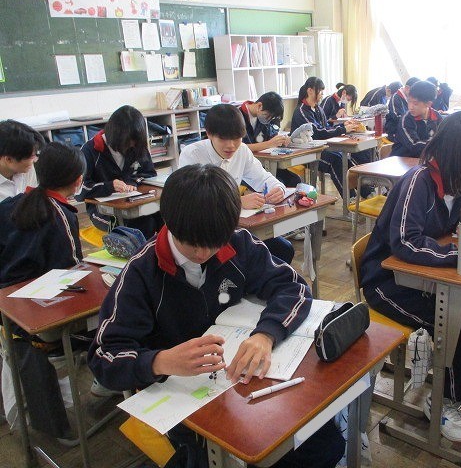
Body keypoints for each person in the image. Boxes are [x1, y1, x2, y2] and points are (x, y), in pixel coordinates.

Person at [88, 164, 345, 468]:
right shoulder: (141, 274)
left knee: (323, 441)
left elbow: (293, 287)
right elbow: (103, 356)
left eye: (213, 243)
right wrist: (161, 361)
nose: (202, 254)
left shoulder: (237, 243)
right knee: (228, 453)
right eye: (192, 244)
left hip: (240, 382)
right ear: (168, 222)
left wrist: (266, 335)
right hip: (182, 397)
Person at [360, 111, 461, 444]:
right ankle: (444, 401)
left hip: (425, 275)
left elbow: (450, 228)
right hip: (387, 282)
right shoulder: (419, 181)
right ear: (455, 149)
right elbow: (405, 242)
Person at [0, 142, 85, 439]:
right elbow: (73, 272)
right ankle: (112, 387)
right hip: (41, 321)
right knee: (108, 320)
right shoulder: (62, 214)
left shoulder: (12, 204)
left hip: (9, 311)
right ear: (78, 180)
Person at [179, 103, 294, 264]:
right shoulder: (192, 155)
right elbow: (195, 202)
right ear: (209, 134)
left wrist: (278, 188)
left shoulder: (242, 151)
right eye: (223, 138)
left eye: (236, 138)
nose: (231, 145)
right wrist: (237, 202)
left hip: (237, 226)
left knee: (284, 249)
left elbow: (263, 177)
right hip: (205, 233)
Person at [76, 105, 161, 239]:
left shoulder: (137, 145)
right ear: (116, 134)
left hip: (135, 203)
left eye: (135, 141)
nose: (132, 145)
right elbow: (79, 191)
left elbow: (149, 173)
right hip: (103, 212)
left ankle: (163, 251)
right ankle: (141, 252)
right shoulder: (90, 150)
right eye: (129, 141)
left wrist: (132, 182)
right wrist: (109, 186)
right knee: (144, 225)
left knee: (164, 216)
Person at [290, 77, 372, 199]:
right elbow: (317, 132)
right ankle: (351, 199)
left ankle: (367, 193)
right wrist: (343, 129)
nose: (322, 94)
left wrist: (343, 125)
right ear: (310, 91)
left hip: (320, 148)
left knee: (345, 159)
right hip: (306, 153)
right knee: (336, 160)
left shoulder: (318, 109)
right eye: (320, 91)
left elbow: (326, 127)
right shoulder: (301, 111)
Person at [237, 91, 301, 187]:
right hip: (245, 168)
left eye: (272, 118)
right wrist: (269, 144)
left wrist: (281, 140)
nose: (269, 120)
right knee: (278, 183)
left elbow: (272, 136)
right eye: (267, 115)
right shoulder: (237, 116)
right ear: (259, 106)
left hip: (264, 164)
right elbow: (239, 147)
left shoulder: (264, 119)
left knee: (294, 180)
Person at [390, 80, 442, 158]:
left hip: (423, 159)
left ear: (428, 104)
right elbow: (414, 146)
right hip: (402, 159)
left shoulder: (437, 117)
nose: (410, 107)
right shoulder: (406, 119)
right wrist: (437, 146)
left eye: (415, 103)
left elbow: (443, 139)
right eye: (409, 101)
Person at [0, 119, 44, 201]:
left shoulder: (27, 169)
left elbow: (33, 200)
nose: (35, 160)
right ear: (9, 159)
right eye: (31, 157)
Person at [385, 76, 420, 142]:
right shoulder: (396, 97)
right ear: (407, 88)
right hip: (395, 133)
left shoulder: (410, 99)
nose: (416, 96)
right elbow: (397, 117)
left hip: (407, 131)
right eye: (414, 93)